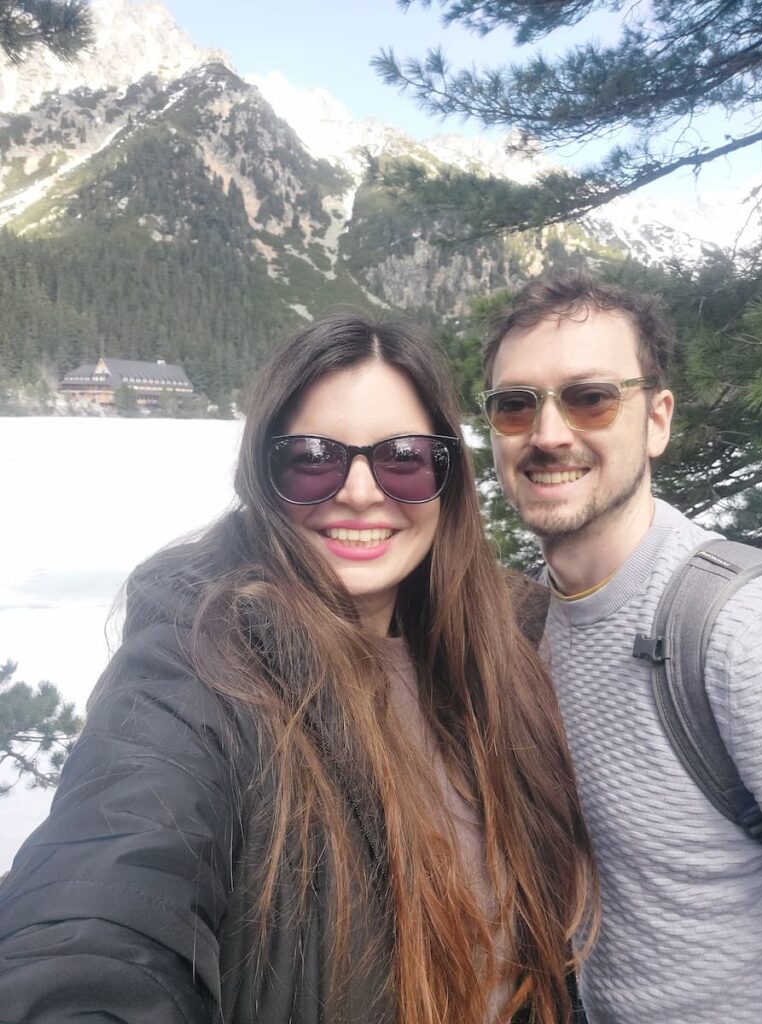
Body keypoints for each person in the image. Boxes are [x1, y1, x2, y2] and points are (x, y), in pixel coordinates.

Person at [0, 315, 597, 1024]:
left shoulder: (506, 647)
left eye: (403, 458)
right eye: (313, 459)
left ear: (446, 478)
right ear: (265, 473)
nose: (360, 492)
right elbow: (104, 897)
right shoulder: (201, 665)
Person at [480, 270, 762, 1024]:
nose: (548, 434)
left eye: (590, 397)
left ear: (657, 419)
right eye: (516, 405)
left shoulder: (737, 627)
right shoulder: (528, 626)